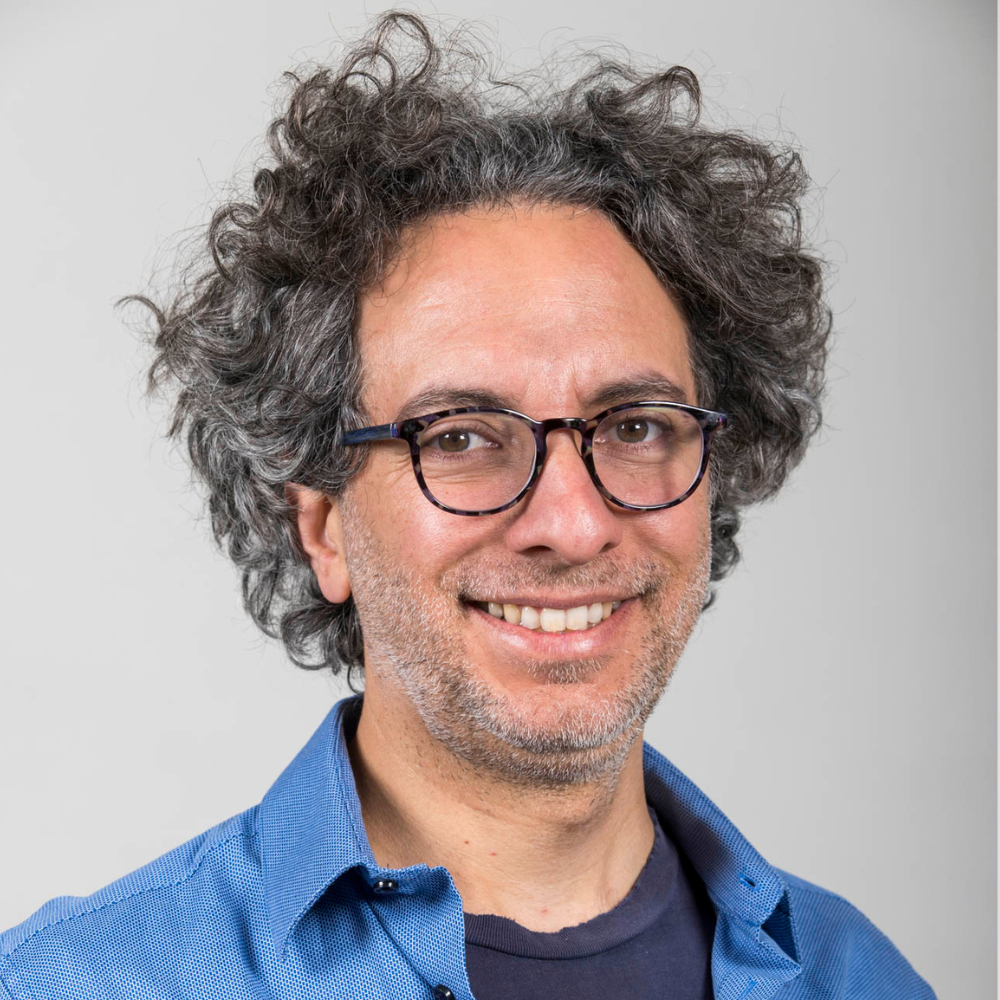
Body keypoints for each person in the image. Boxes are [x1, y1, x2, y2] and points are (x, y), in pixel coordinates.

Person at [0, 12, 936, 1000]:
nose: (572, 524)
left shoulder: (856, 977)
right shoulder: (77, 984)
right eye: (459, 438)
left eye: (633, 425)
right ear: (321, 525)